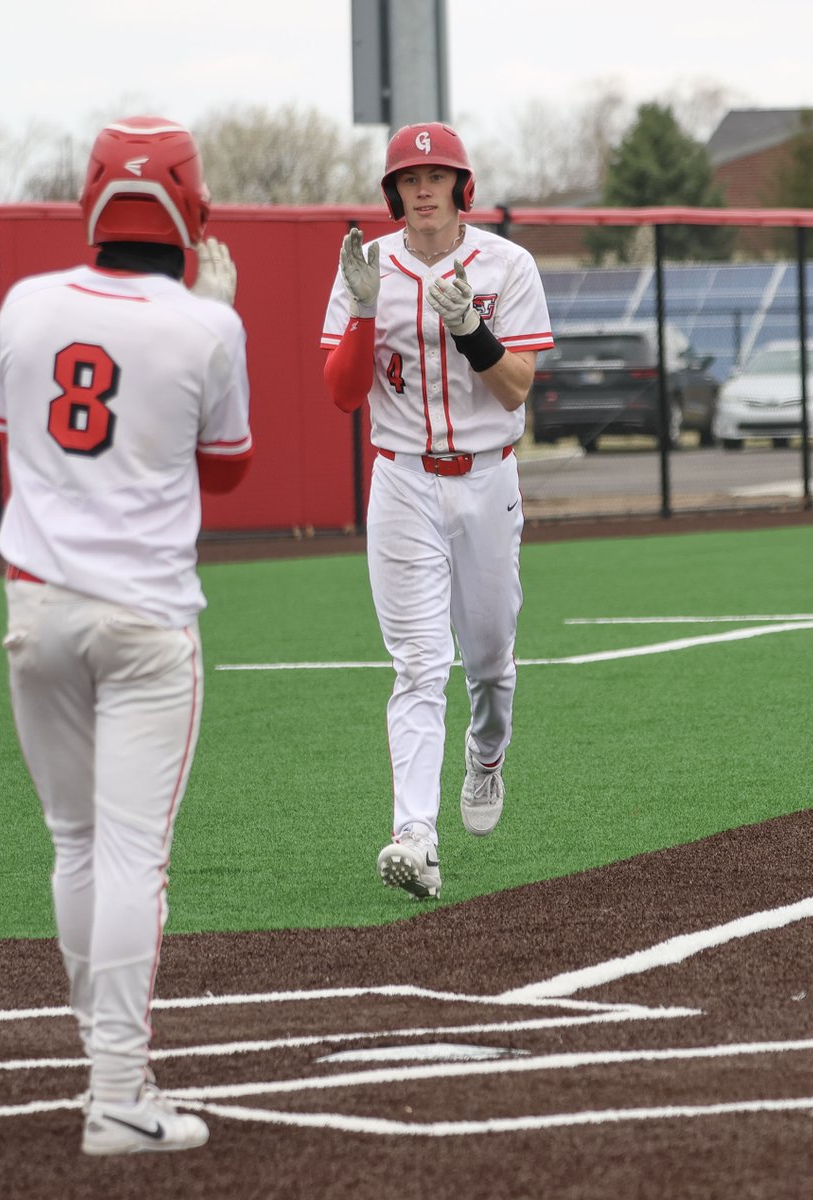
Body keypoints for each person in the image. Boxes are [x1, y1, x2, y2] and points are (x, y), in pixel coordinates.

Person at [0, 115, 252, 1155]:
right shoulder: (204, 325)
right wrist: (214, 316)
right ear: (190, 208)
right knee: (134, 856)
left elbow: (13, 439)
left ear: (91, 198)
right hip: (145, 618)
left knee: (76, 846)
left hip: (38, 605)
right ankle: (117, 1094)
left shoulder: (25, 303)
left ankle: (106, 1071)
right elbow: (226, 469)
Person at [320, 122, 553, 901]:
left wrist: (471, 331)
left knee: (488, 661)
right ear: (393, 193)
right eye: (409, 178)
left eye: (437, 175)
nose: (422, 188)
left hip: (488, 478)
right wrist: (359, 312)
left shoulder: (507, 264)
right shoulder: (368, 266)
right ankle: (414, 836)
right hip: (403, 480)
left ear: (461, 186)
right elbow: (343, 393)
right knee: (420, 664)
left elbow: (517, 386)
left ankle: (487, 758)